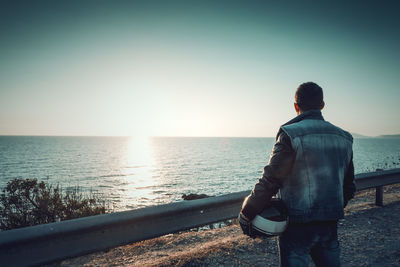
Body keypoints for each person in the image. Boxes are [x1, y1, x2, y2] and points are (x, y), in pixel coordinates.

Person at [238, 82, 356, 267]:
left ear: (296, 106)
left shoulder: (290, 134)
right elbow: (349, 186)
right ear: (322, 105)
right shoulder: (344, 137)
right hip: (330, 222)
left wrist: (247, 213)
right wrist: (331, 208)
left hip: (297, 224)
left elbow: (271, 178)